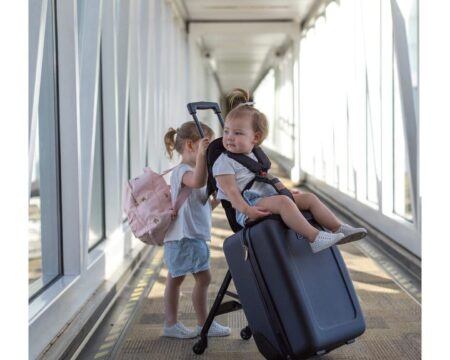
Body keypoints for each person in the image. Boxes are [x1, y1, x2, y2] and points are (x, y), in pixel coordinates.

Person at [213, 89, 367, 254]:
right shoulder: (224, 163)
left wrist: (283, 190)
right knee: (284, 203)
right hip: (248, 204)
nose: (229, 137)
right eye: (226, 131)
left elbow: (265, 177)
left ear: (255, 138)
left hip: (266, 196)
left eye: (237, 133)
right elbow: (232, 192)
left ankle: (337, 228)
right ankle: (314, 237)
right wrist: (247, 210)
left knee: (309, 198)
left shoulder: (253, 155)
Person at [162, 121, 230, 339]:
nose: (208, 153)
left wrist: (219, 196)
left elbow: (203, 206)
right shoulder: (183, 171)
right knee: (204, 278)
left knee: (175, 279)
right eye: (206, 147)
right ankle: (203, 324)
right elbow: (198, 181)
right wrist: (203, 158)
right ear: (192, 146)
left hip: (184, 236)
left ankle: (171, 324)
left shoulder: (189, 171)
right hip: (186, 237)